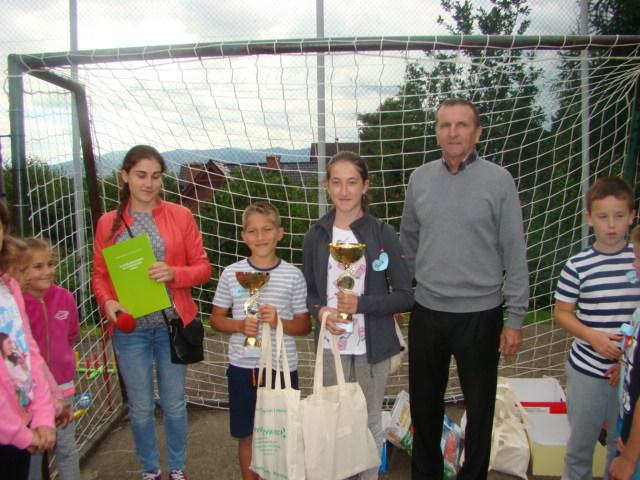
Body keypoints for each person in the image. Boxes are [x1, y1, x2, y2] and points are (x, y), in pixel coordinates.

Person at [400, 98, 529, 480]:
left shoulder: (499, 180)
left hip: (481, 315)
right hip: (428, 311)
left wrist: (515, 318)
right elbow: (408, 243)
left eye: (462, 125)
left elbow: (514, 252)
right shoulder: (419, 178)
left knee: (480, 409)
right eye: (445, 125)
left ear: (477, 132)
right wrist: (401, 295)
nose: (453, 132)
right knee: (424, 408)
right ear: (436, 131)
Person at [92, 145, 212, 480]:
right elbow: (100, 276)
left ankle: (176, 468)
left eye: (156, 176)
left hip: (172, 326)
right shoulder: (108, 223)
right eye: (141, 175)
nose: (148, 183)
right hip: (130, 330)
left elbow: (203, 268)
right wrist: (108, 303)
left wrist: (174, 273)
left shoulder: (180, 216)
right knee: (141, 408)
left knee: (174, 404)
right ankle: (150, 470)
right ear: (125, 176)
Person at [303, 151, 414, 480]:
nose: (344, 190)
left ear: (365, 186)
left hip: (373, 347)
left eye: (352, 182)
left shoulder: (382, 233)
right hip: (330, 347)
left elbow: (406, 296)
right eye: (336, 182)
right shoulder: (315, 235)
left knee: (369, 422)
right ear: (326, 186)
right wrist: (322, 312)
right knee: (333, 422)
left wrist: (361, 305)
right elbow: (310, 293)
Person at [210, 200, 311, 480]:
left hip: (282, 368)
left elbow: (304, 326)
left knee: (282, 435)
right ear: (244, 236)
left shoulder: (293, 275)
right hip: (243, 367)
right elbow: (216, 320)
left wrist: (279, 323)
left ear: (280, 233)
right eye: (252, 231)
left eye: (267, 229)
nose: (260, 236)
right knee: (247, 435)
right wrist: (240, 325)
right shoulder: (231, 274)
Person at [555, 176, 639, 480]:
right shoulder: (578, 265)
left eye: (619, 216)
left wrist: (626, 361)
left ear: (632, 216)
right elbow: (562, 313)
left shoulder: (638, 259)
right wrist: (592, 337)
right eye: (603, 217)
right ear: (589, 218)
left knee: (620, 448)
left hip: (627, 377)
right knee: (580, 448)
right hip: (586, 372)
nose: (611, 225)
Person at [0, 202, 57, 480]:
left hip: (22, 425)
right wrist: (19, 433)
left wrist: (43, 414)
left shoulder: (9, 287)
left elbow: (30, 352)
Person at [22, 237, 80, 480]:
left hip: (63, 385)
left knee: (66, 446)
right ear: (20, 271)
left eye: (50, 264)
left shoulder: (65, 297)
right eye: (38, 266)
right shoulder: (18, 304)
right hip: (30, 390)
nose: (47, 271)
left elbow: (72, 333)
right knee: (34, 449)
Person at [609, 224, 640, 480]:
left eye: (639, 258)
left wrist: (630, 457)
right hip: (628, 424)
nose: (634, 264)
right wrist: (625, 364)